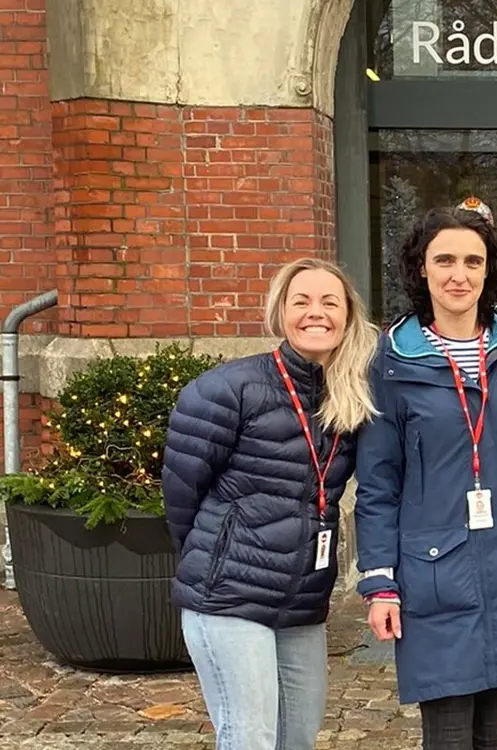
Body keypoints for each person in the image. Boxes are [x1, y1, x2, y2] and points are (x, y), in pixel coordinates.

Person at [353, 202, 497, 750]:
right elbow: (379, 481)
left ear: (488, 270)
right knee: (448, 734)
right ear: (421, 268)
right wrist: (379, 581)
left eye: (473, 261)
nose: (459, 275)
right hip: (435, 573)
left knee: (489, 733)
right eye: (445, 260)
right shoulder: (392, 361)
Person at [162, 257, 380, 750]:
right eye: (301, 301)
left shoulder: (349, 396)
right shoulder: (227, 389)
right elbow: (181, 494)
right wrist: (219, 554)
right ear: (280, 312)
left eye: (329, 302)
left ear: (348, 315)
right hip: (229, 597)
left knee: (297, 736)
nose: (316, 312)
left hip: (301, 602)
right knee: (250, 737)